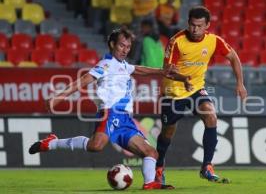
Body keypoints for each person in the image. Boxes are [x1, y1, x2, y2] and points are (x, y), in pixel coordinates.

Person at [28, 28, 187, 190]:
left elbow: (138, 69)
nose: (125, 50)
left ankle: (150, 183)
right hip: (110, 113)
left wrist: (162, 72)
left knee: (151, 153)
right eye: (121, 46)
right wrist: (59, 97)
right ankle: (52, 143)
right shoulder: (106, 64)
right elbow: (84, 80)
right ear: (112, 44)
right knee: (95, 146)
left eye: (128, 46)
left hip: (125, 119)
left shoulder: (123, 65)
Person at [155, 6, 248, 184]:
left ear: (207, 25)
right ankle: (159, 167)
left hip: (196, 88)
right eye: (192, 25)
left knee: (211, 116)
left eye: (199, 26)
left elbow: (234, 58)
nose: (195, 29)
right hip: (174, 91)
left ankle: (207, 166)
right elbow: (167, 71)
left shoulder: (214, 41)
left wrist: (240, 83)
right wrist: (183, 78)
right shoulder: (176, 41)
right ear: (188, 23)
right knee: (168, 131)